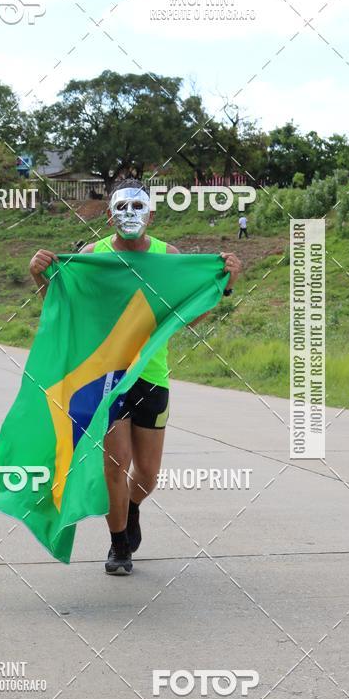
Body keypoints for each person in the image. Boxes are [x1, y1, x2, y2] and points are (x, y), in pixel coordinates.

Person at [29, 178, 241, 575]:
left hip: (151, 375)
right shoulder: (95, 255)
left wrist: (225, 283)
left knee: (146, 473)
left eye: (137, 207)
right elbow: (66, 306)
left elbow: (189, 317)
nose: (129, 215)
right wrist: (41, 276)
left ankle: (130, 508)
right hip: (107, 376)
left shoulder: (168, 256)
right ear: (109, 214)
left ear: (152, 214)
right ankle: (119, 546)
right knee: (116, 462)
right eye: (121, 208)